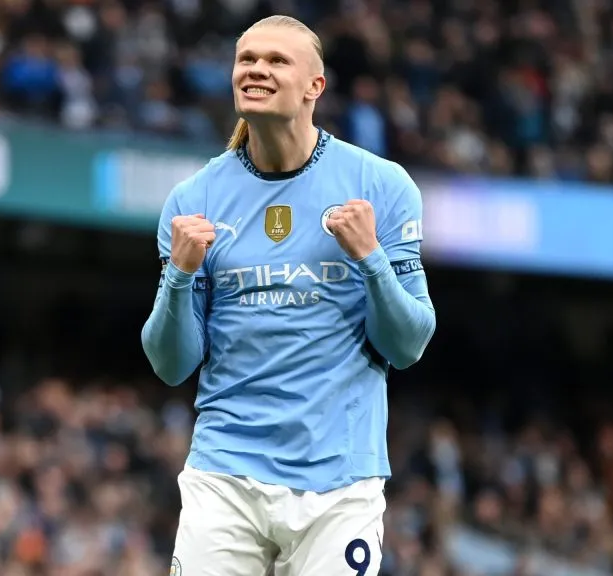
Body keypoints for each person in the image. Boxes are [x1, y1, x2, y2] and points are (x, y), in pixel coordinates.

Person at [141, 14, 436, 576]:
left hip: (340, 482)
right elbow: (170, 364)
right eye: (246, 59)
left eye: (277, 60)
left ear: (314, 87)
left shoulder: (382, 187)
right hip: (225, 473)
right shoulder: (193, 199)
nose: (256, 69)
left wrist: (371, 259)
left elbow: (409, 345)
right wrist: (178, 275)